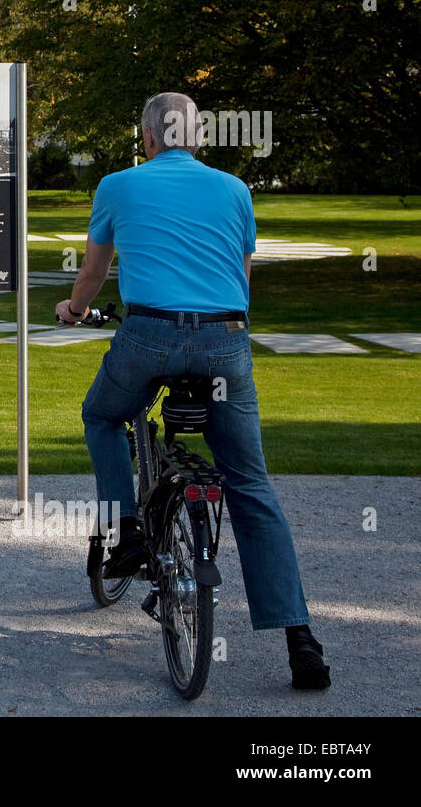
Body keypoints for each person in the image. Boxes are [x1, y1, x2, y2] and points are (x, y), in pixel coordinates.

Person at [56, 92, 331, 691]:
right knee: (250, 482)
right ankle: (300, 638)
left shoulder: (118, 185)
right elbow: (241, 279)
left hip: (148, 336)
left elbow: (94, 273)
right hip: (224, 341)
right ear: (198, 137)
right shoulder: (235, 190)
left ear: (150, 138)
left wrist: (73, 311)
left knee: (102, 416)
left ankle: (126, 530)